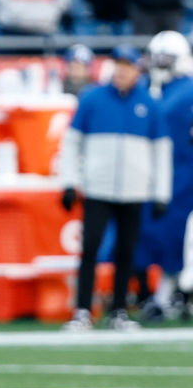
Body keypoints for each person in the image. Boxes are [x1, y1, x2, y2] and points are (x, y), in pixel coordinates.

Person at [60, 45, 172, 331]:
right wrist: (69, 181)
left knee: (127, 251)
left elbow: (161, 151)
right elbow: (72, 142)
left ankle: (119, 310)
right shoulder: (92, 100)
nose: (122, 71)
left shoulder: (149, 104)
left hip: (134, 190)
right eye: (118, 64)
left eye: (128, 65)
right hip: (98, 188)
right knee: (90, 248)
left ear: (138, 70)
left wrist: (161, 193)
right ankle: (83, 309)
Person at [135, 32, 193, 319]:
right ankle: (148, 294)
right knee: (141, 238)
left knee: (175, 238)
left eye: (166, 58)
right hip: (144, 175)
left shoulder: (188, 89)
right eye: (156, 56)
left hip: (182, 173)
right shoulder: (144, 87)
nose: (160, 63)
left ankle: (166, 296)